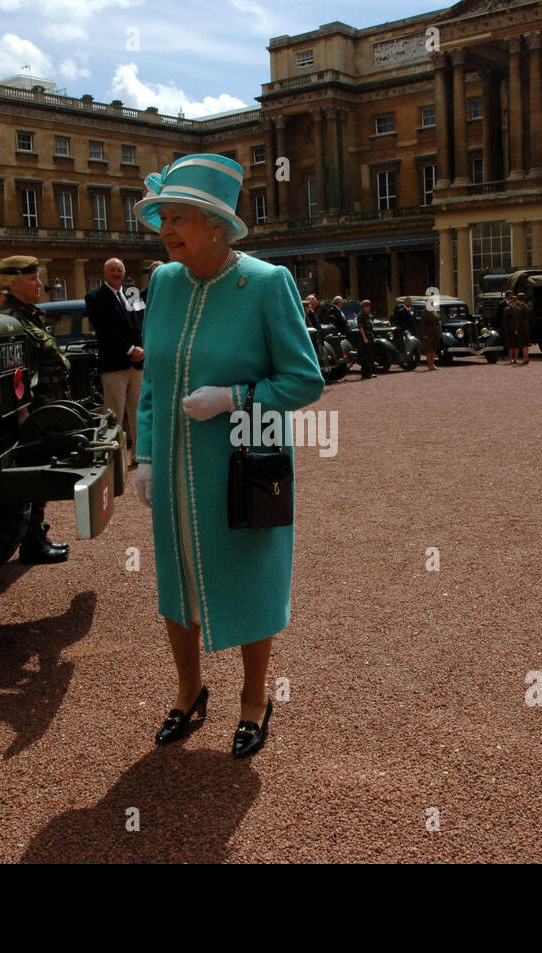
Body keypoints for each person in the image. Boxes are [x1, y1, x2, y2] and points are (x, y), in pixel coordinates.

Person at [131, 153, 324, 758]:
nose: (166, 227)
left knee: (249, 579)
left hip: (244, 461)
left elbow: (304, 380)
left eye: (179, 215)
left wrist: (234, 398)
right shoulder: (163, 282)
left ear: (216, 224)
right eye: (163, 215)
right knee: (177, 581)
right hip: (170, 467)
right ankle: (189, 692)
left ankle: (254, 698)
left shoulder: (267, 284)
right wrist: (145, 453)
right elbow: (156, 383)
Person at [0, 256, 73, 563]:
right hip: (32, 407)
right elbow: (14, 372)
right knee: (34, 473)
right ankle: (32, 540)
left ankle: (36, 535)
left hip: (45, 402)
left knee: (42, 467)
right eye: (32, 279)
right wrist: (23, 410)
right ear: (12, 283)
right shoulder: (11, 320)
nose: (40, 284)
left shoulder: (29, 316)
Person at [86, 258, 145, 469]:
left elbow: (142, 322)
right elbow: (105, 329)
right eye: (112, 270)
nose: (116, 273)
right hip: (114, 365)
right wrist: (130, 349)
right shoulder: (95, 297)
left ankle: (139, 455)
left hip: (137, 364)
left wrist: (142, 348)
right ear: (105, 274)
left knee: (138, 412)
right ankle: (113, 461)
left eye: (119, 270)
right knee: (114, 414)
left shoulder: (133, 293)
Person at [356, 299, 377, 379]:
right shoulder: (361, 315)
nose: (369, 308)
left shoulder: (369, 315)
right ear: (364, 307)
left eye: (369, 306)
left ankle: (370, 372)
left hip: (370, 336)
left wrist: (373, 337)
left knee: (370, 355)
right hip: (365, 338)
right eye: (367, 306)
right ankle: (365, 373)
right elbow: (361, 327)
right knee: (365, 356)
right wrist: (364, 338)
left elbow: (371, 328)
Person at [509, 292, 531, 365]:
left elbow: (519, 320)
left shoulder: (521, 308)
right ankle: (526, 358)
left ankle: (525, 359)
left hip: (522, 328)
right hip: (526, 327)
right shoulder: (526, 306)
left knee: (524, 344)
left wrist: (516, 328)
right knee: (526, 344)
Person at [420, 296, 442, 370]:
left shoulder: (434, 310)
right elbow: (422, 324)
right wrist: (424, 334)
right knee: (429, 350)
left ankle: (433, 364)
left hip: (435, 333)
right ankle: (429, 364)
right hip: (429, 333)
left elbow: (438, 322)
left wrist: (439, 332)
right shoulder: (424, 311)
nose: (432, 303)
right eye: (431, 302)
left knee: (433, 349)